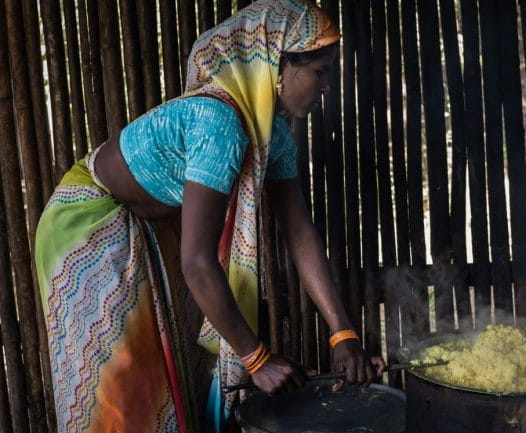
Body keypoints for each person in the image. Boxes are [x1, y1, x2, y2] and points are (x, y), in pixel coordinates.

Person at [34, 0, 385, 431]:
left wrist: (342, 332)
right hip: (86, 223)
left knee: (167, 378)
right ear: (279, 64)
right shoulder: (218, 124)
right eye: (321, 71)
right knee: (122, 391)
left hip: (143, 223)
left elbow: (299, 230)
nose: (327, 85)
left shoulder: (269, 132)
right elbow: (197, 263)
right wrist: (256, 358)